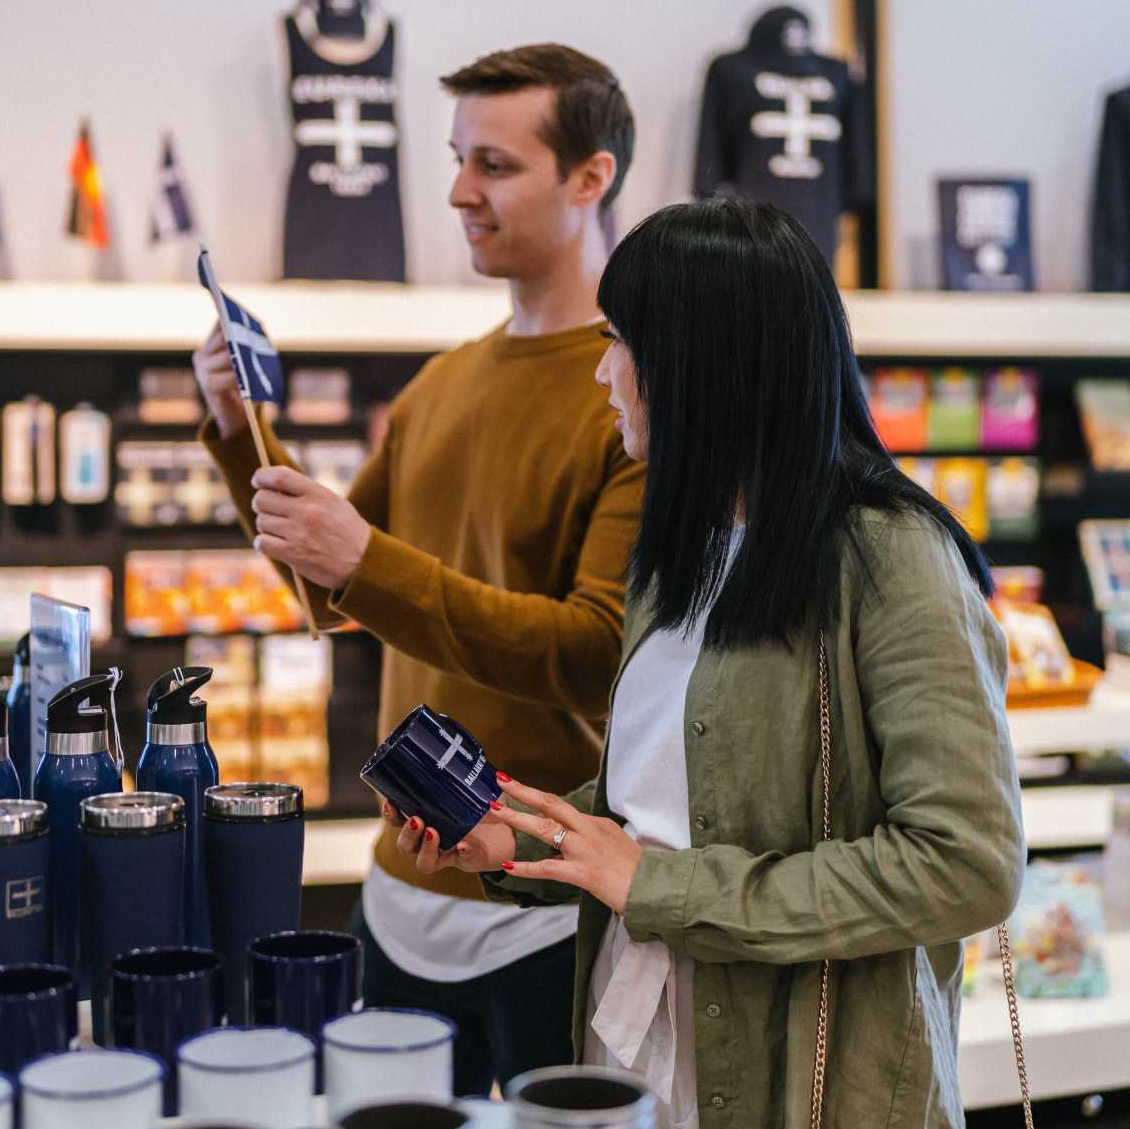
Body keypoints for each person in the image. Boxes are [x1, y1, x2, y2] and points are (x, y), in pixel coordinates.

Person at [396, 199, 1026, 1127]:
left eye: (624, 341)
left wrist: (663, 890)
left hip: (801, 1076)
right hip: (641, 1042)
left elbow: (965, 863)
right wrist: (511, 842)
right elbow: (662, 803)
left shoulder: (891, 559)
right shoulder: (681, 550)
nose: (605, 373)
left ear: (704, 365)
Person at [193, 44, 644, 1096]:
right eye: (457, 160)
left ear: (591, 178)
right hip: (398, 894)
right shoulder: (442, 385)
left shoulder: (631, 401)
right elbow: (332, 592)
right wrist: (232, 432)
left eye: (494, 164)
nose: (457, 192)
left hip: (546, 907)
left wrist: (366, 560)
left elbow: (596, 654)